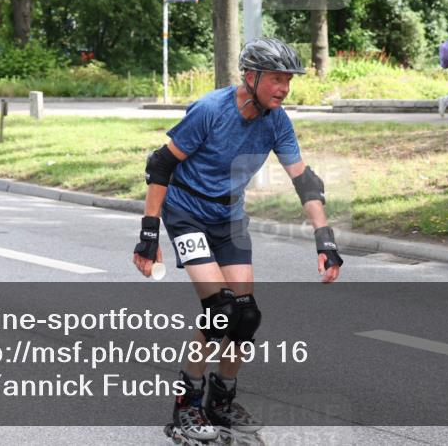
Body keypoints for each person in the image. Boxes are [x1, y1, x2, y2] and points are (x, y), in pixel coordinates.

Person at [132, 37, 344, 444]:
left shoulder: (277, 121)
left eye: (289, 80)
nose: (284, 88)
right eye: (277, 79)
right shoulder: (211, 110)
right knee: (221, 310)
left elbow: (305, 180)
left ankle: (220, 401)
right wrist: (148, 233)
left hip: (229, 216)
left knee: (246, 316)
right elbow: (160, 164)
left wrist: (325, 240)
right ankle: (186, 405)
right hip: (188, 212)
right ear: (251, 76)